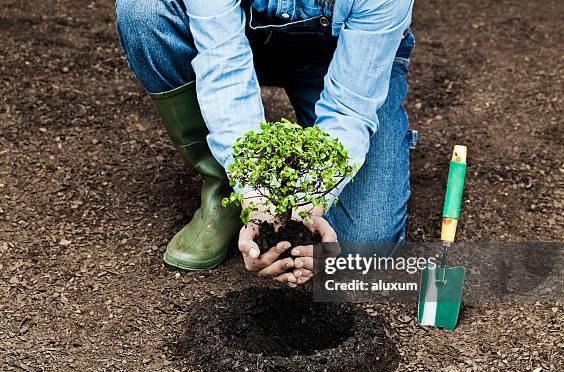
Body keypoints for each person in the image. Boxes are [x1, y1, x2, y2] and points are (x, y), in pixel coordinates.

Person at [116, 0, 416, 286]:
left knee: (364, 244)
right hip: (238, 37)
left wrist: (311, 201)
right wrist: (255, 193)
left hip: (342, 53)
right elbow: (224, 69)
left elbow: (348, 109)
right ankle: (224, 189)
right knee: (143, 10)